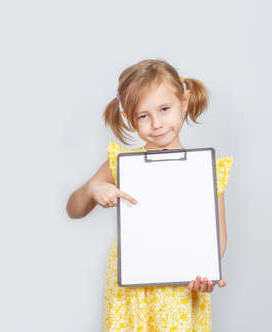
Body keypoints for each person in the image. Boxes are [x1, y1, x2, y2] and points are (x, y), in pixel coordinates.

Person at [66, 59, 233, 331]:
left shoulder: (206, 170)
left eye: (164, 109)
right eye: (143, 116)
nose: (156, 123)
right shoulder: (121, 163)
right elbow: (73, 209)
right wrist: (92, 189)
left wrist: (207, 270)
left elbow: (219, 236)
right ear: (130, 119)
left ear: (184, 102)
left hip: (181, 291)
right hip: (130, 294)